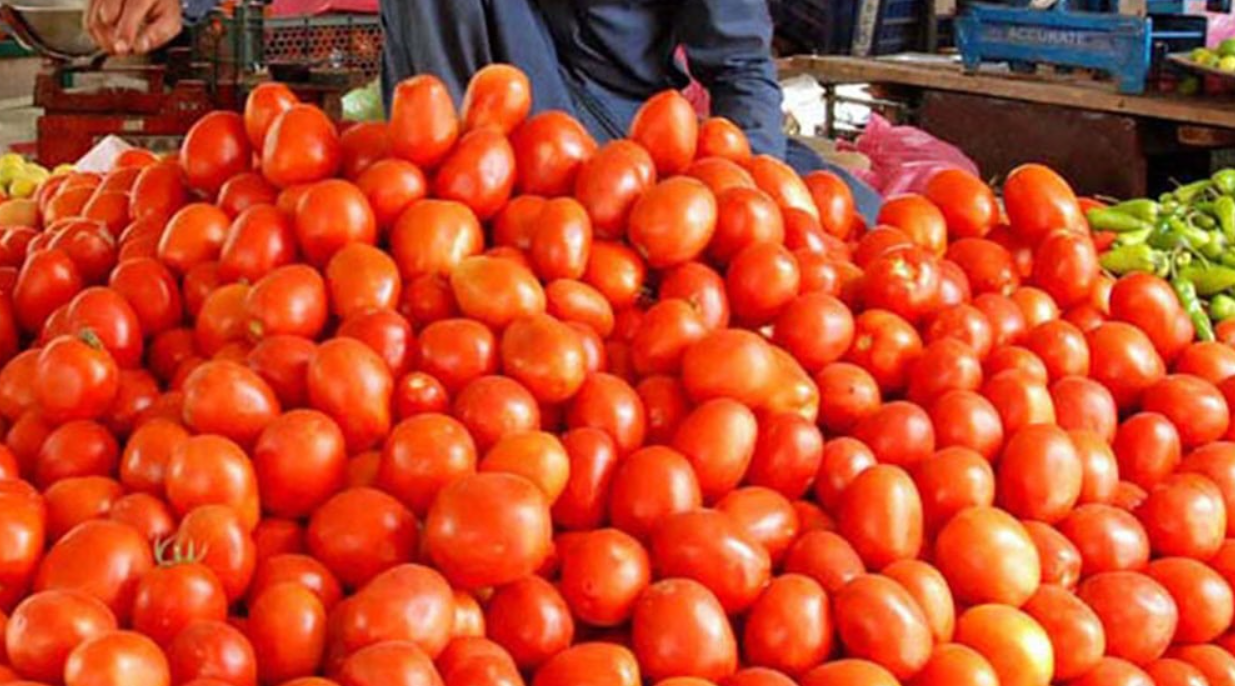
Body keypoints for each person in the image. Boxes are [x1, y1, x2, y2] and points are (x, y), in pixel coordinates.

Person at [84, 0, 882, 223]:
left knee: (857, 213)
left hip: (612, 163)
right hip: (449, 166)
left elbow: (735, 62)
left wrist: (757, 214)